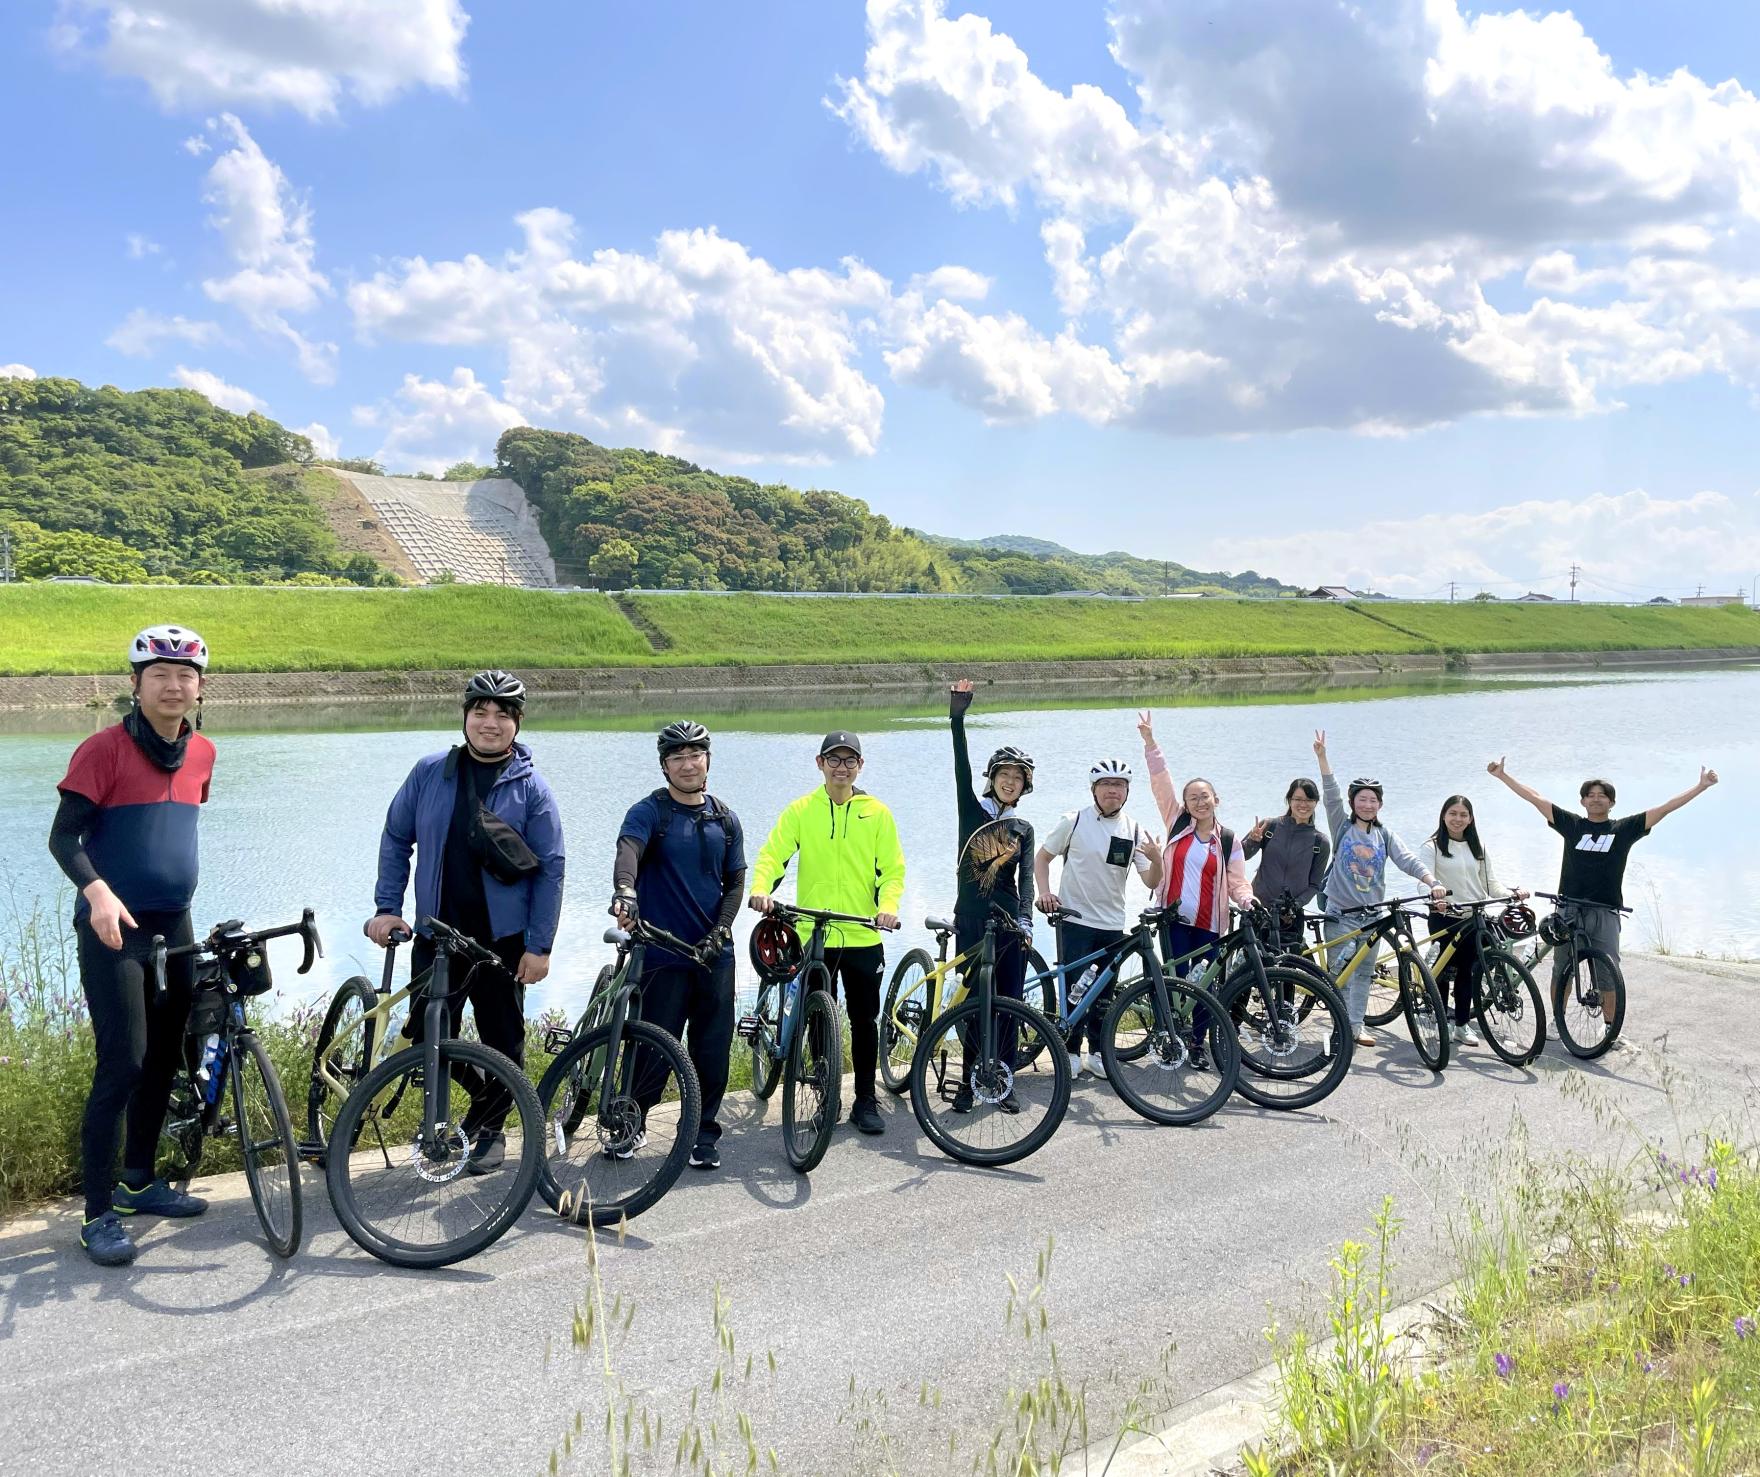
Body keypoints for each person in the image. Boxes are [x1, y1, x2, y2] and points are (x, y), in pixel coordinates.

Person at [50, 626, 216, 1266]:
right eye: (160, 675)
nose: (174, 686)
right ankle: (96, 1216)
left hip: (175, 923)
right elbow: (65, 839)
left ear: (200, 686)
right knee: (122, 1062)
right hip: (113, 928)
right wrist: (95, 892)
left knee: (167, 1057)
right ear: (136, 684)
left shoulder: (202, 752)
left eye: (186, 675)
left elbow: (177, 830)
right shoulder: (103, 749)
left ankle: (139, 1184)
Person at [367, 670, 565, 1171]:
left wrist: (539, 946)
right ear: (465, 716)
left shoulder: (532, 789)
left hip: (502, 941)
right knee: (429, 1036)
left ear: (517, 724)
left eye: (503, 714)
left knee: (503, 1041)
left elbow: (551, 868)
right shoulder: (431, 772)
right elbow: (396, 837)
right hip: (436, 935)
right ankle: (476, 1103)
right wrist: (387, 906)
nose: (490, 723)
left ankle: (493, 1131)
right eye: (481, 712)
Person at [1487, 757, 1718, 1042]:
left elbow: (1665, 808)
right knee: (1563, 971)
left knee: (1609, 972)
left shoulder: (1623, 829)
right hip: (1569, 909)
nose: (1596, 799)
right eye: (1591, 795)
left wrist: (1701, 786)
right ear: (1582, 801)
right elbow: (1535, 798)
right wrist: (1503, 776)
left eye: (1602, 796)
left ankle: (1611, 1029)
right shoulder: (1571, 825)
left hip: (1606, 912)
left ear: (1612, 803)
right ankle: (1557, 1023)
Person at [749, 730, 905, 1135]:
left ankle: (865, 1099)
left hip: (862, 935)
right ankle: (825, 1094)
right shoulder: (802, 810)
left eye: (849, 760)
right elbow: (773, 855)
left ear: (860, 766)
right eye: (834, 760)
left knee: (864, 1020)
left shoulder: (878, 814)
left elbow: (892, 872)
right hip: (812, 934)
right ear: (820, 764)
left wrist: (888, 908)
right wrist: (761, 888)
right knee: (818, 1018)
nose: (842, 767)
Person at [611, 720, 745, 1170]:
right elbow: (628, 851)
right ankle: (632, 1122)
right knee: (651, 1047)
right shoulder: (651, 812)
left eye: (695, 755)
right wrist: (625, 891)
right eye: (677, 757)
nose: (688, 764)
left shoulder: (725, 819)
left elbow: (735, 883)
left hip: (713, 956)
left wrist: (720, 931)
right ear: (665, 765)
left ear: (708, 760)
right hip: (662, 952)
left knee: (712, 1050)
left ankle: (702, 1133)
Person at [1311, 731, 1446, 1048]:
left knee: (1364, 973)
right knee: (1341, 971)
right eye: (1362, 799)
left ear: (1380, 804)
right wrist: (1322, 757)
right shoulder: (1341, 826)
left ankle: (1356, 1027)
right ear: (1353, 803)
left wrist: (1433, 882)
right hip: (1340, 914)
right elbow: (1330, 794)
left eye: (1373, 799)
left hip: (1372, 916)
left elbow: (1408, 860)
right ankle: (1340, 1026)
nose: (1368, 804)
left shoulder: (1385, 835)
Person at [1034, 757, 1163, 1078]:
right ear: (1094, 789)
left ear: (1127, 791)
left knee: (1105, 995)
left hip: (1112, 923)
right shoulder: (1074, 821)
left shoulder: (1134, 830)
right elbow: (1042, 858)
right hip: (1075, 920)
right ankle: (1070, 1050)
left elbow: (1151, 881)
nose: (1113, 791)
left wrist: (1158, 859)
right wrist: (1045, 892)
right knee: (1075, 989)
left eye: (1119, 785)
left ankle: (1098, 1052)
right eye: (1106, 784)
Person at [1138, 711, 1253, 1066]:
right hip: (1174, 921)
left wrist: (1248, 899)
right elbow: (1162, 784)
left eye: (1205, 796)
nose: (1199, 802)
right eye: (1192, 798)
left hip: (1210, 924)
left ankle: (1198, 1045)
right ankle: (1173, 1038)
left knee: (1206, 987)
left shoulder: (1229, 840)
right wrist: (1150, 743)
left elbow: (1237, 881)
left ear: (1216, 799)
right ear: (1186, 805)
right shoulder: (1177, 825)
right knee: (1176, 982)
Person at [947, 680, 1036, 1113]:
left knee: (1009, 1004)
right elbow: (960, 765)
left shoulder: (1023, 829)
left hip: (1007, 924)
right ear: (993, 780)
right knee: (974, 1005)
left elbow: (1026, 883)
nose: (1009, 782)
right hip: (971, 919)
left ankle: (1002, 1082)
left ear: (1024, 787)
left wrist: (1027, 922)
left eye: (1017, 778)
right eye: (1004, 776)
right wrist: (957, 716)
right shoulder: (972, 810)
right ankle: (966, 1082)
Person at [1418, 795, 1524, 1049]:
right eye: (1453, 813)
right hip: (1444, 916)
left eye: (1463, 815)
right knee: (1442, 973)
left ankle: (1462, 1026)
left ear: (1471, 818)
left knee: (1469, 972)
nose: (1458, 819)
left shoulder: (1479, 847)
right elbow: (1423, 880)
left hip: (1473, 918)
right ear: (1443, 816)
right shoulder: (1431, 847)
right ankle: (1442, 1019)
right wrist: (1434, 897)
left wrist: (1512, 894)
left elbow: (1490, 885)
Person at [1241, 779, 1331, 951]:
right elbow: (1241, 856)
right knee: (1250, 970)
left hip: (1290, 918)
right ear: (1289, 800)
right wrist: (1253, 841)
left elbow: (1314, 886)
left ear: (1316, 803)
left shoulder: (1320, 842)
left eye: (1309, 800)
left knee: (1286, 971)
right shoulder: (1269, 827)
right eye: (1298, 799)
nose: (1303, 805)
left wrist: (1295, 905)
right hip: (1259, 910)